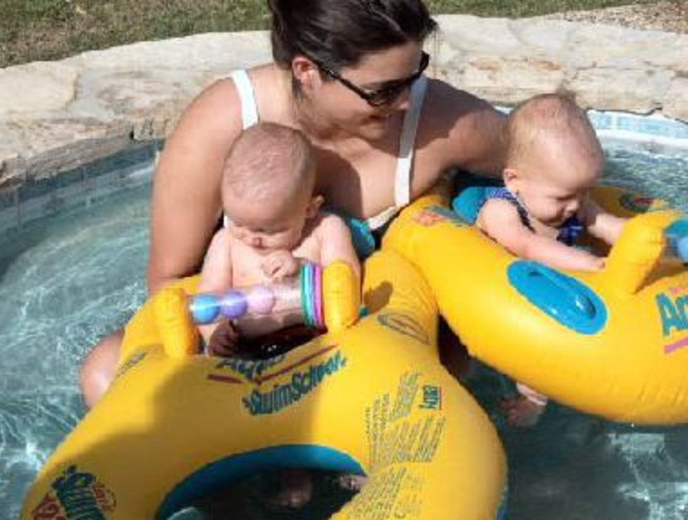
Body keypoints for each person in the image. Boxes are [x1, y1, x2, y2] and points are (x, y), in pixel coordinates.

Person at [78, 0, 506, 505]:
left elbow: (544, 174)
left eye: (417, 74)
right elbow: (169, 283)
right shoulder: (222, 125)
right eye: (383, 90)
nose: (408, 101)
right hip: (248, 344)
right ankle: (234, 505)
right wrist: (232, 339)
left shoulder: (441, 121)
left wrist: (503, 223)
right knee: (106, 369)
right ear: (307, 70)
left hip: (378, 352)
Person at [454, 93, 626, 427]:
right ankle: (530, 401)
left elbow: (612, 227)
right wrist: (592, 265)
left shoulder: (576, 204)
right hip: (501, 302)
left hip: (553, 291)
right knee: (535, 363)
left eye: (585, 191)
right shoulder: (500, 211)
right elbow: (527, 246)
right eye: (563, 196)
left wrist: (654, 245)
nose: (576, 206)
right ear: (514, 181)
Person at [197, 122, 359, 355]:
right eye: (238, 222)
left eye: (270, 230)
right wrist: (216, 333)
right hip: (246, 347)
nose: (252, 239)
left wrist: (302, 268)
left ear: (309, 209)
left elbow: (346, 281)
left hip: (318, 340)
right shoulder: (226, 242)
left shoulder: (326, 229)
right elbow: (209, 298)